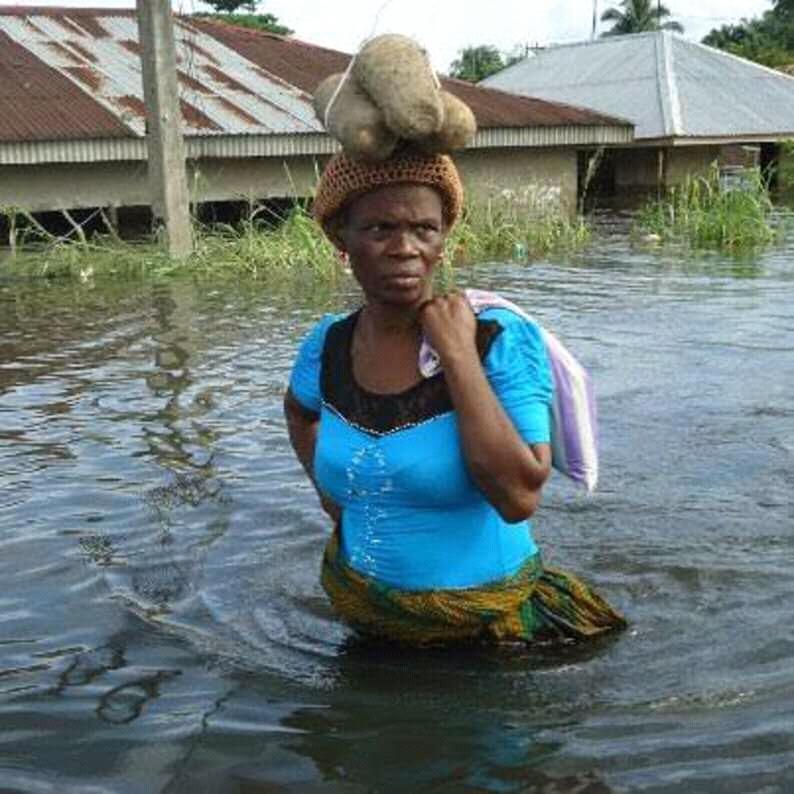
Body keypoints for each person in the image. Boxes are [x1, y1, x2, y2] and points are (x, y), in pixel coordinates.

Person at [284, 148, 626, 646]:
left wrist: (458, 354)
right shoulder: (328, 343)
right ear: (342, 237)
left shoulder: (497, 338)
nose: (405, 248)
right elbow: (298, 412)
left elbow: (518, 497)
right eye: (380, 229)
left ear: (442, 240)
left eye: (424, 229)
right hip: (365, 615)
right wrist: (334, 497)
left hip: (490, 637)